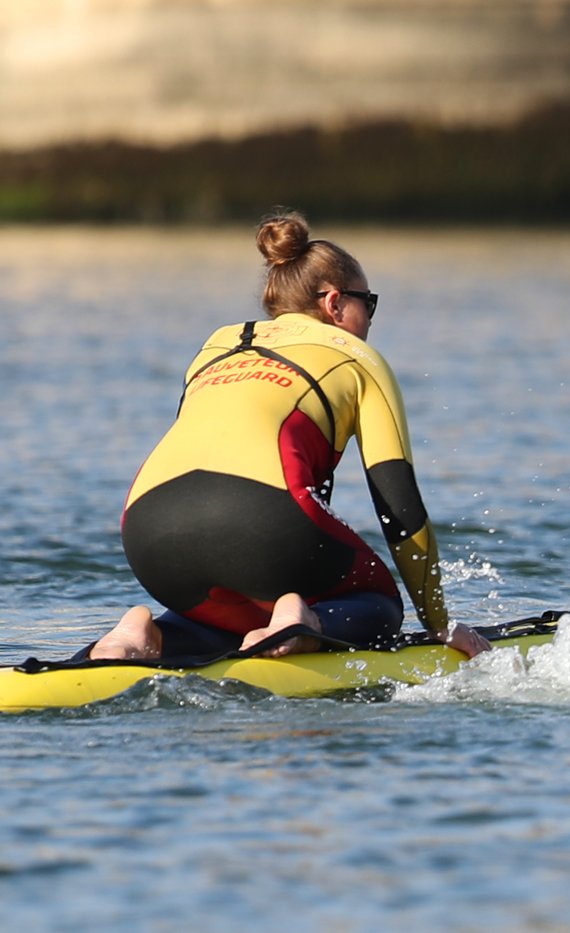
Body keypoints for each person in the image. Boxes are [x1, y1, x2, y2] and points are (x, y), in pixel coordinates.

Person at [91, 210, 490, 661]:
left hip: (147, 527)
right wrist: (440, 624)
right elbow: (400, 511)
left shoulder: (217, 344)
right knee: (379, 603)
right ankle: (303, 623)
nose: (370, 319)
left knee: (231, 612)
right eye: (368, 303)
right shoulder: (357, 357)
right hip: (260, 516)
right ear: (335, 303)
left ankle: (146, 634)